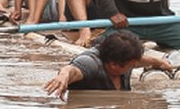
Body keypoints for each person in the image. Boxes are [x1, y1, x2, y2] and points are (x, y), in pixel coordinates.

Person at [43, 30, 172, 99]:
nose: (135, 65)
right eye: (131, 65)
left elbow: (139, 60)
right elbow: (72, 69)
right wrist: (63, 76)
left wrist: (159, 63)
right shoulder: (91, 63)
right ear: (114, 65)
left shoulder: (126, 58)